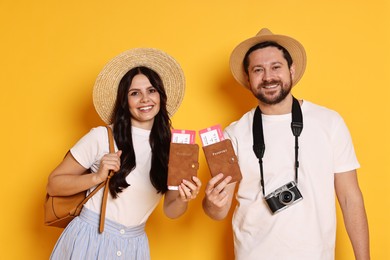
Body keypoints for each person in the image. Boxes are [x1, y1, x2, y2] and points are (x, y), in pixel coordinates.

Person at [202, 28, 370, 259]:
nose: (268, 77)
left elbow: (351, 198)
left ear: (291, 70)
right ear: (249, 79)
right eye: (258, 70)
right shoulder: (231, 135)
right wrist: (211, 202)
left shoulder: (329, 122)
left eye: (276, 67)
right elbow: (218, 211)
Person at [47, 48, 202, 259]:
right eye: (135, 93)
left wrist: (185, 198)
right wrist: (96, 177)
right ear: (124, 100)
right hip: (91, 238)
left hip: (134, 247)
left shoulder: (173, 147)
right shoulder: (102, 137)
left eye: (151, 90)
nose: (145, 99)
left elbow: (171, 210)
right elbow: (54, 183)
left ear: (161, 96)